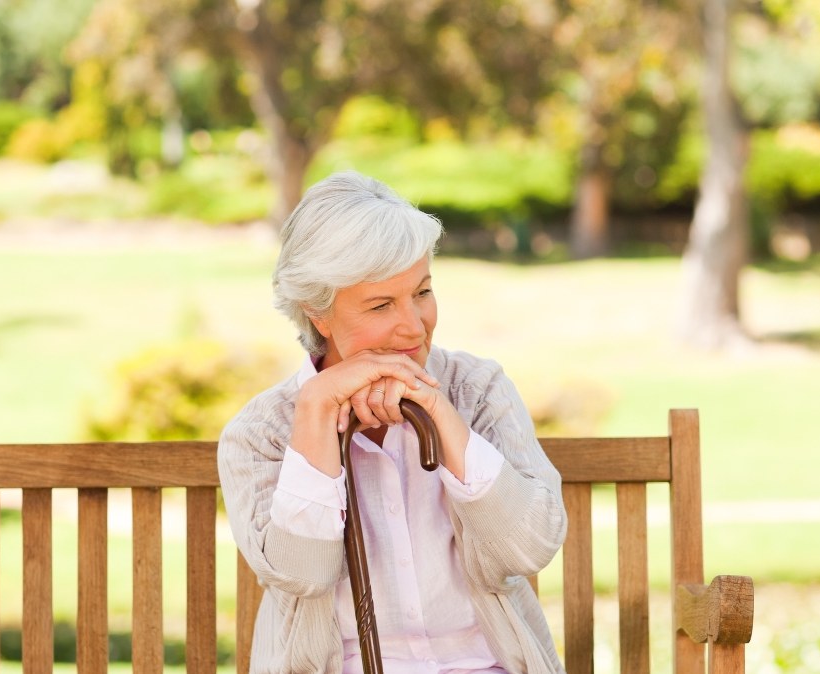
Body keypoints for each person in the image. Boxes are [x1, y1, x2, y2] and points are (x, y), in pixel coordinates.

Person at [218, 171, 567, 674]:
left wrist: (441, 413)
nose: (413, 325)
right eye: (381, 305)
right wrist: (316, 413)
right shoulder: (262, 433)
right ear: (319, 313)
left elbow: (527, 547)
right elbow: (304, 574)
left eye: (422, 293)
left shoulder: (478, 389)